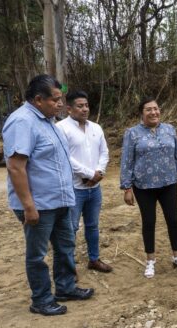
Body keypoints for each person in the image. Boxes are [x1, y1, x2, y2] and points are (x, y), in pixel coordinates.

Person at [2, 75, 94, 316]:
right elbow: (15, 167)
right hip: (39, 205)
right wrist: (28, 206)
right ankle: (41, 299)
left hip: (61, 201)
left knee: (65, 246)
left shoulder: (48, 121)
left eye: (61, 99)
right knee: (38, 255)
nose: (61, 104)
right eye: (56, 100)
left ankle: (65, 287)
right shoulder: (22, 122)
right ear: (38, 99)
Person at [120, 97, 177, 279]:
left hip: (168, 183)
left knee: (173, 221)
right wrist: (127, 187)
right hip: (143, 186)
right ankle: (150, 260)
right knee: (149, 222)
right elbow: (127, 161)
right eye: (149, 109)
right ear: (142, 113)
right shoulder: (132, 133)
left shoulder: (169, 129)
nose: (153, 112)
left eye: (156, 109)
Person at [57, 90, 112, 273]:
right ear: (69, 108)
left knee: (93, 225)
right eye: (80, 106)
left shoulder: (96, 128)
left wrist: (99, 172)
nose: (85, 109)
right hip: (74, 188)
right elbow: (65, 157)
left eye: (86, 105)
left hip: (94, 188)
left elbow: (104, 152)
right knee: (70, 228)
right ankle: (68, 268)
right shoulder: (61, 128)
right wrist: (89, 173)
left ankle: (94, 259)